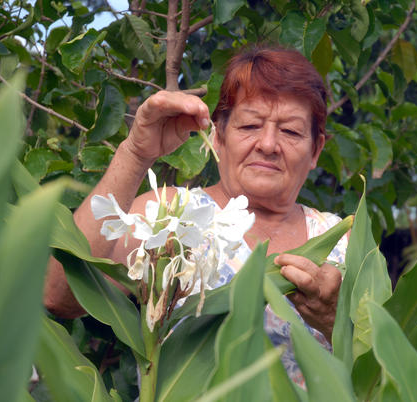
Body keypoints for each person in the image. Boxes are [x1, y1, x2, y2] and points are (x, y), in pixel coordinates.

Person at [44, 44, 349, 386]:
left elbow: (390, 366)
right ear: (218, 136)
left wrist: (337, 321)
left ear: (316, 149)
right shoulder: (169, 214)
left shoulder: (342, 241)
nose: (267, 144)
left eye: (291, 131)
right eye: (249, 126)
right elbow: (59, 295)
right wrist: (135, 153)